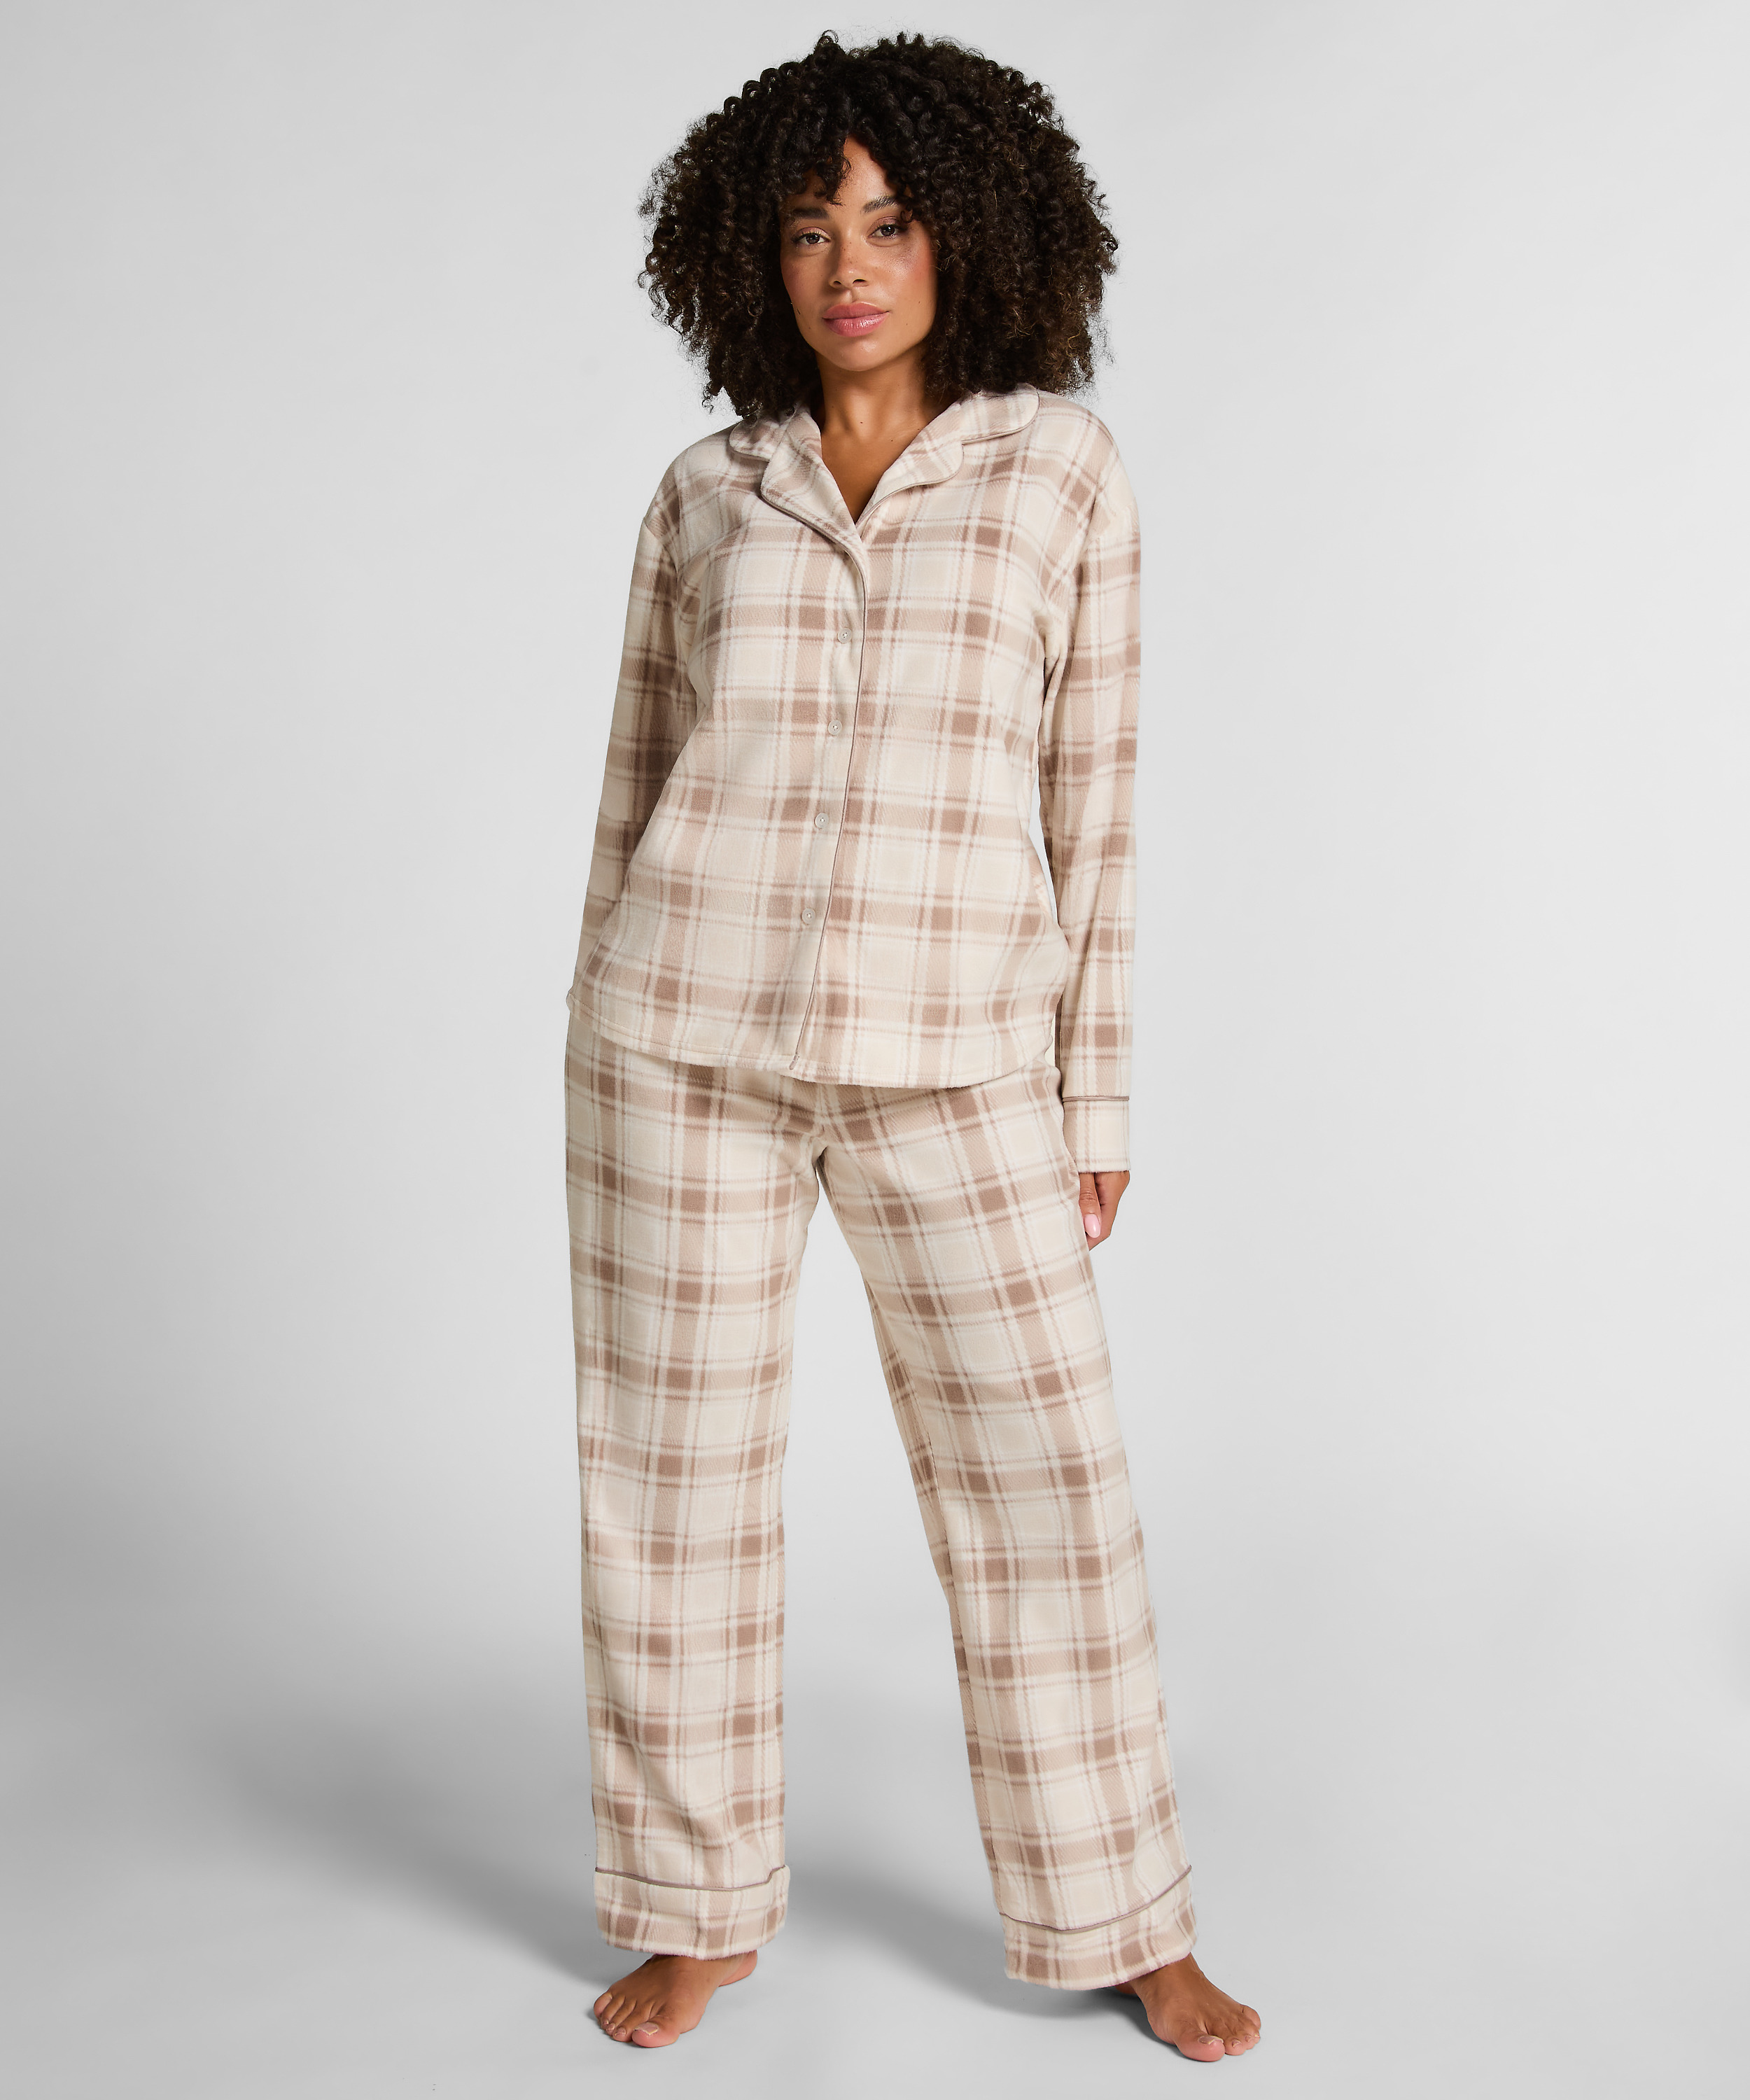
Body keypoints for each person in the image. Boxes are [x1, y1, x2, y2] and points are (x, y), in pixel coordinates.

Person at [564, 30, 1261, 2061]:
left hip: (959, 1056)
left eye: (886, 220)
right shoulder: (709, 494)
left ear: (971, 233)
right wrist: (593, 1012)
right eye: (807, 229)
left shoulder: (1057, 473)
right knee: (671, 1492)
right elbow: (632, 790)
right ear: (750, 259)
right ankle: (693, 1908)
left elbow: (1093, 812)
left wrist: (1089, 1094)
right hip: (677, 1045)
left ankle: (1122, 1915)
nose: (849, 265)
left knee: (1046, 1488)